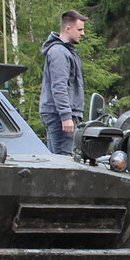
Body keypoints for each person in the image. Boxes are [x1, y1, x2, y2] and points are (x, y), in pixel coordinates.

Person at [38, 9, 86, 155]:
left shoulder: (67, 52)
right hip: (59, 116)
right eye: (80, 29)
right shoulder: (59, 52)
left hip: (61, 114)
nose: (82, 33)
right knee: (62, 162)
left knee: (61, 159)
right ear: (67, 28)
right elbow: (59, 86)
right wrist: (66, 116)